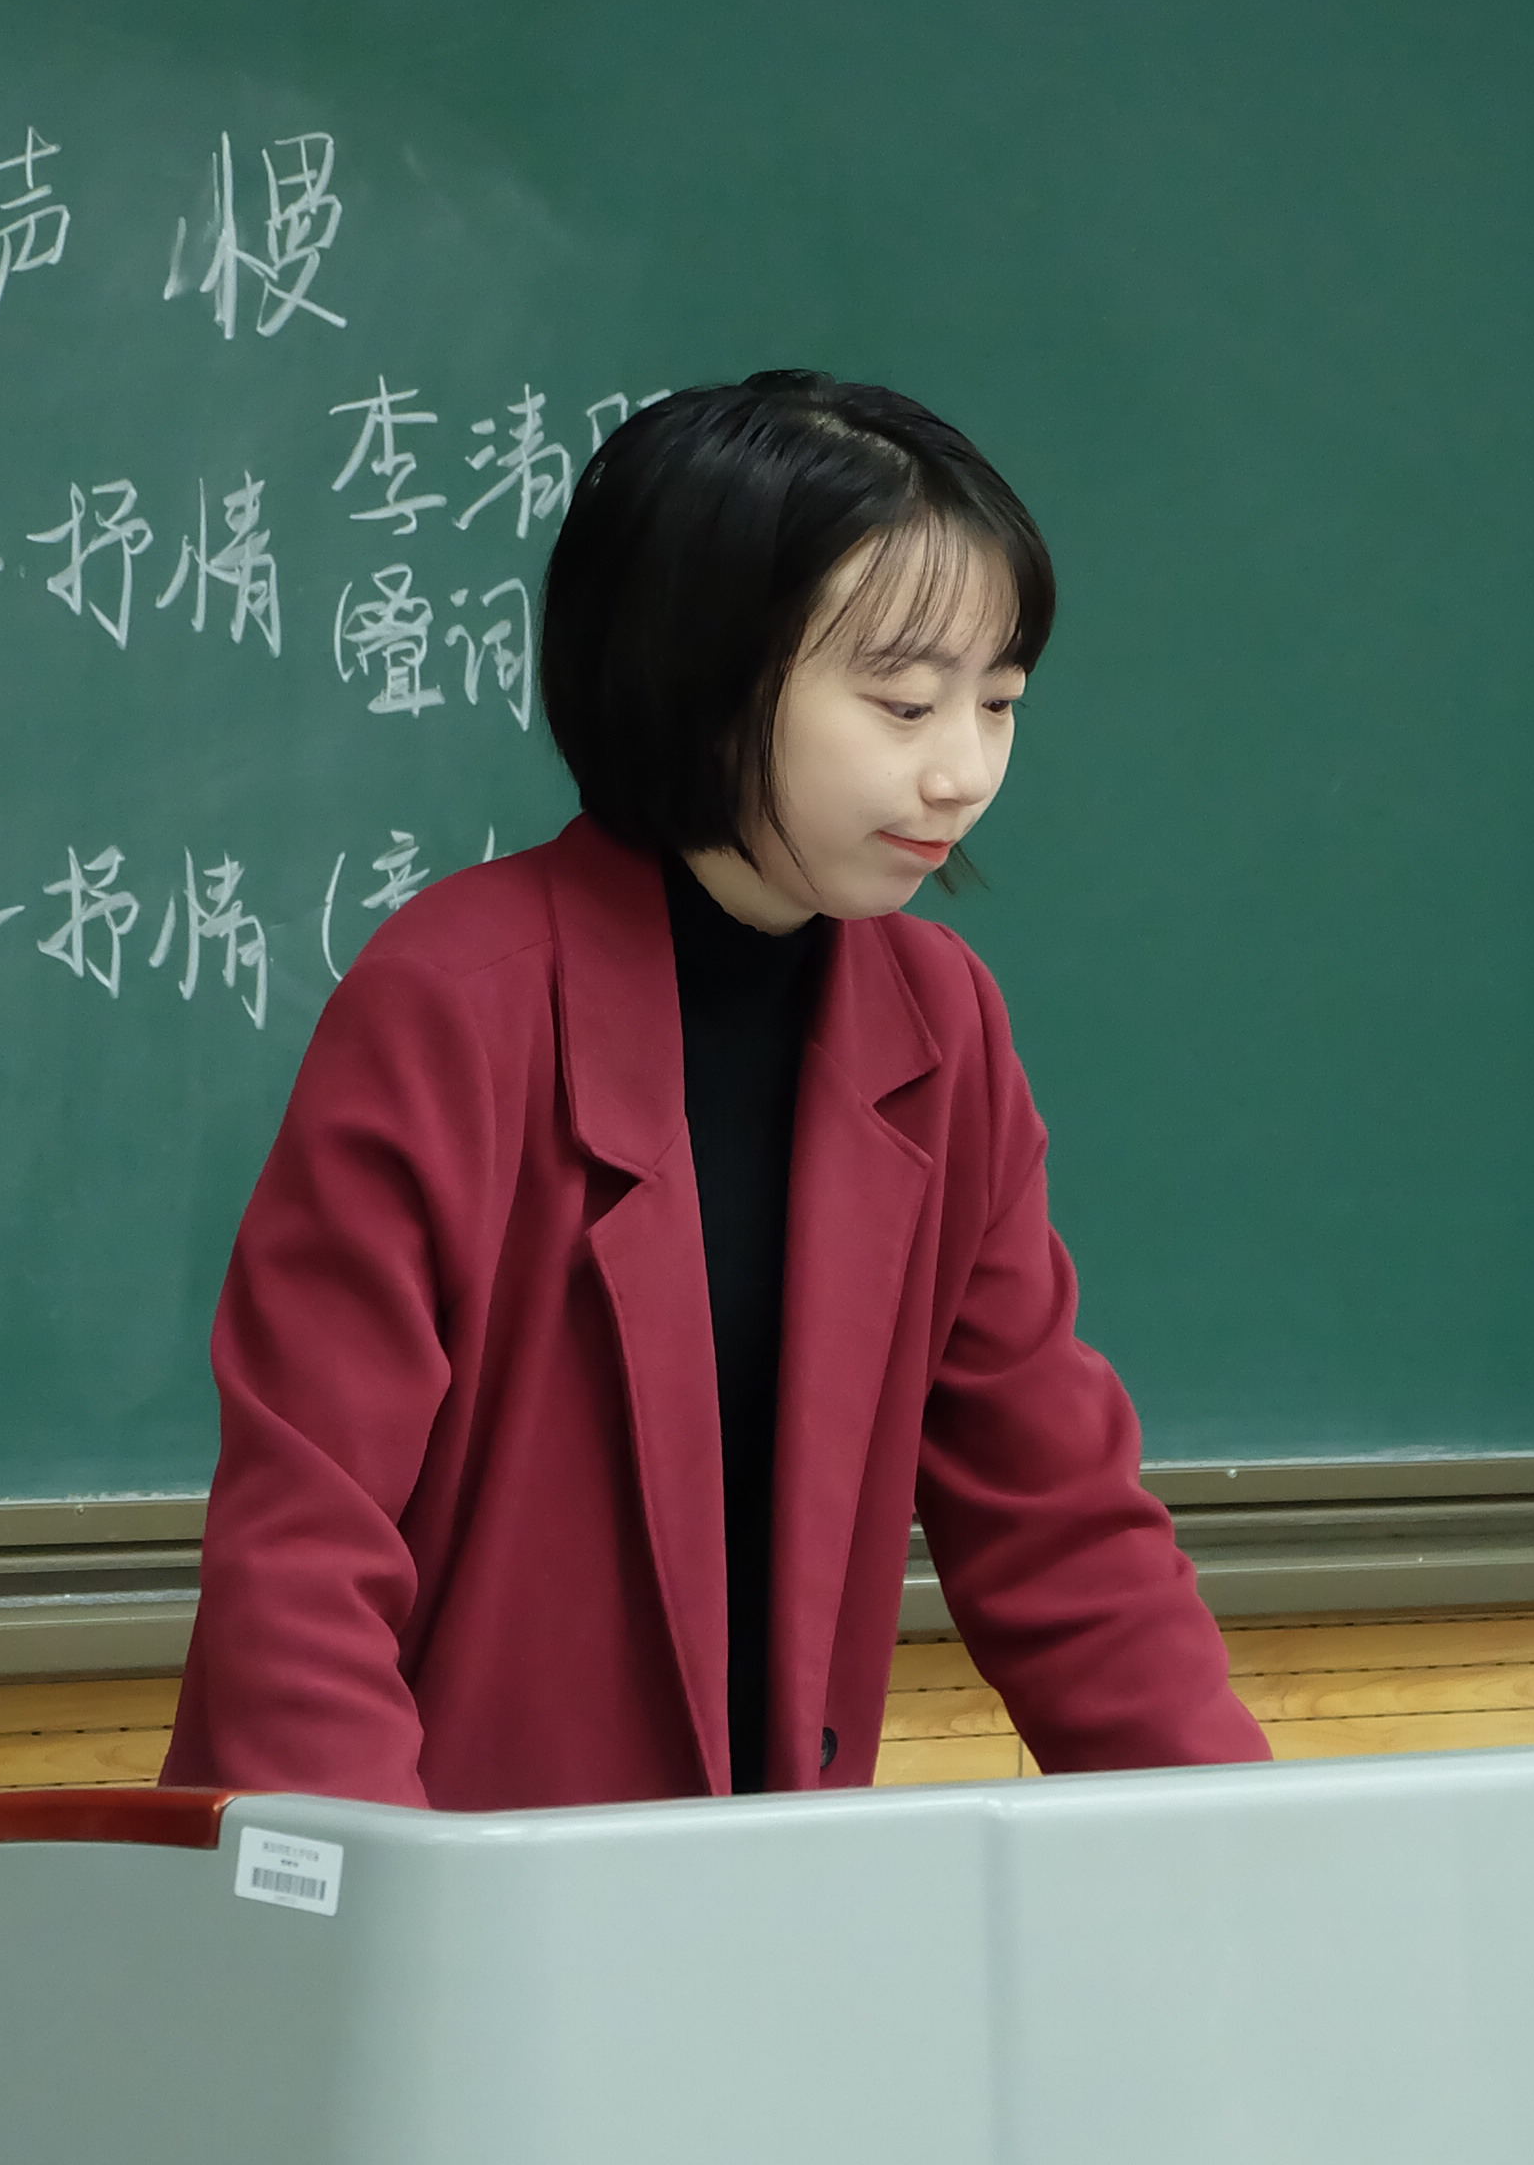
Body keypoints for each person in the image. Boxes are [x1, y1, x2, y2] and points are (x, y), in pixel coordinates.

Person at [162, 371, 1268, 1811]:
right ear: (707, 676)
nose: (963, 773)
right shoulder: (453, 1004)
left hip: (755, 1892)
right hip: (456, 1875)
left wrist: (1252, 1854)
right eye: (905, 703)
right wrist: (397, 1910)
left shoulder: (939, 1025)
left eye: (998, 704)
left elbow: (1059, 1525)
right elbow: (305, 1553)